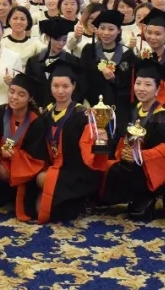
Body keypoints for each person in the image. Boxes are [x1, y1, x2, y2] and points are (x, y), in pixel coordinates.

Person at [99, 59, 165, 219]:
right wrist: (124, 151)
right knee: (104, 164)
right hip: (136, 165)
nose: (141, 88)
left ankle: (148, 197)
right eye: (138, 83)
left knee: (117, 172)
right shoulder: (136, 109)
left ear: (158, 89)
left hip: (154, 170)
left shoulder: (162, 117)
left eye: (148, 85)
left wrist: (139, 155)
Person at [30, 59, 108, 223]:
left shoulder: (82, 114)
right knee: (34, 205)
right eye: (56, 86)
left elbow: (88, 151)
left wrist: (99, 136)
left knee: (45, 203)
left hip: (75, 174)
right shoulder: (46, 113)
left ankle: (80, 198)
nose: (60, 91)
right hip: (53, 168)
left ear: (74, 86)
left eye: (65, 86)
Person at [0, 71, 47, 221]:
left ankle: (12, 196)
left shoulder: (36, 122)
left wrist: (14, 154)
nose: (14, 97)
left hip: (20, 167)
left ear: (30, 98)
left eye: (21, 94)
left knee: (4, 170)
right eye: (11, 91)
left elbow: (35, 156)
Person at [79, 9, 137, 133]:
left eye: (111, 29)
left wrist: (115, 79)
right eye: (102, 28)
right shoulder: (89, 51)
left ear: (119, 31)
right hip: (92, 106)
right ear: (97, 30)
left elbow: (130, 85)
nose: (106, 33)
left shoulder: (127, 54)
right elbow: (82, 79)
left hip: (118, 109)